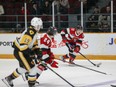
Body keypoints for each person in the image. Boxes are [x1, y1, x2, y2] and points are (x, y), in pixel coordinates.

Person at [2, 17, 43, 87]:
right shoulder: (30, 33)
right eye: (38, 26)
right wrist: (32, 54)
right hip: (20, 52)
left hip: (22, 52)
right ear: (34, 25)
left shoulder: (34, 32)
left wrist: (38, 52)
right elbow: (23, 46)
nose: (39, 27)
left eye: (40, 26)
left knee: (24, 68)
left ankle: (8, 79)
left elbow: (34, 44)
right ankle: (31, 83)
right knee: (32, 68)